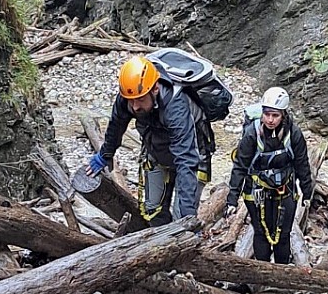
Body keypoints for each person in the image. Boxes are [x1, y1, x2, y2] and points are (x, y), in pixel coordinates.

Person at [86, 55, 211, 226]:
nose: (135, 106)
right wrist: (105, 154)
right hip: (156, 151)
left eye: (141, 100)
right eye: (131, 100)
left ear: (155, 89)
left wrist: (188, 218)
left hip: (193, 155)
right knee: (152, 211)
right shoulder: (130, 94)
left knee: (181, 218)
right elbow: (116, 125)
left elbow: (186, 160)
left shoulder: (175, 106)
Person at [225, 87, 313, 263]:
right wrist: (232, 199)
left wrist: (307, 192)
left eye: (275, 115)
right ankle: (262, 273)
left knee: (283, 235)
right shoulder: (251, 134)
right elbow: (240, 166)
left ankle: (280, 275)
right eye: (267, 114)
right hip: (256, 190)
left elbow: (302, 164)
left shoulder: (293, 134)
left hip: (285, 190)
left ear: (283, 115)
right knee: (261, 233)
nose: (270, 120)